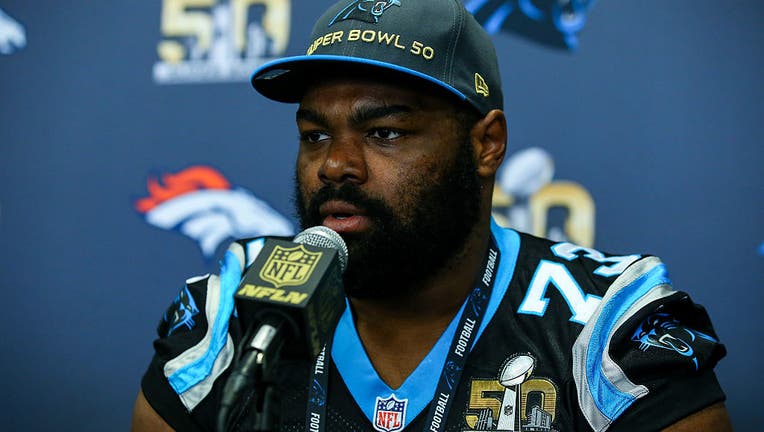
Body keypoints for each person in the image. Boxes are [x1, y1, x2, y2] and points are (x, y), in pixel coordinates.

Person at [132, 0, 731, 430]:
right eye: (315, 135)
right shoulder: (234, 315)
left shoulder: (606, 324)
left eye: (385, 131)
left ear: (485, 146)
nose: (336, 165)